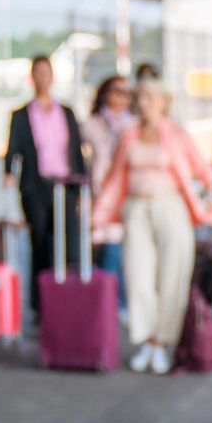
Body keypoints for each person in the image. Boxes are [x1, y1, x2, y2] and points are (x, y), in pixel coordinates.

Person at [94, 80, 212, 373]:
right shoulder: (128, 135)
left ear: (164, 102)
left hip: (171, 208)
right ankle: (146, 339)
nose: (143, 103)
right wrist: (100, 212)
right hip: (136, 208)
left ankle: (162, 342)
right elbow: (115, 176)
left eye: (150, 98)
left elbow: (206, 172)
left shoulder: (177, 135)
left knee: (171, 277)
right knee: (138, 275)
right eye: (140, 98)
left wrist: (210, 198)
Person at [2, 55, 85, 323]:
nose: (42, 77)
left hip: (65, 186)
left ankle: (67, 300)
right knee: (40, 244)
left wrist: (82, 187)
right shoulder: (21, 115)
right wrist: (7, 174)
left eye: (46, 72)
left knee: (68, 243)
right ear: (32, 77)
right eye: (37, 72)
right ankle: (41, 307)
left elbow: (77, 152)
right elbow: (12, 149)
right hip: (35, 188)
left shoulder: (67, 112)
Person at [81, 74, 134, 289]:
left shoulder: (134, 125)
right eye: (117, 91)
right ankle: (106, 299)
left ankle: (116, 300)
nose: (122, 98)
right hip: (100, 193)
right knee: (104, 246)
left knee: (123, 248)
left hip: (127, 193)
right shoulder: (90, 125)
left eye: (126, 93)